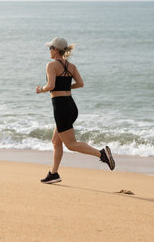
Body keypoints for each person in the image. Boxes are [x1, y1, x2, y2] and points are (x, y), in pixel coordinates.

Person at [36, 38, 115, 184]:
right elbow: (80, 84)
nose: (49, 51)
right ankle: (53, 174)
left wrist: (41, 89)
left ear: (55, 49)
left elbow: (51, 86)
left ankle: (102, 154)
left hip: (61, 108)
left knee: (71, 144)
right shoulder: (71, 66)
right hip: (71, 107)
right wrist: (65, 87)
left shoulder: (51, 65)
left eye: (50, 48)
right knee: (55, 141)